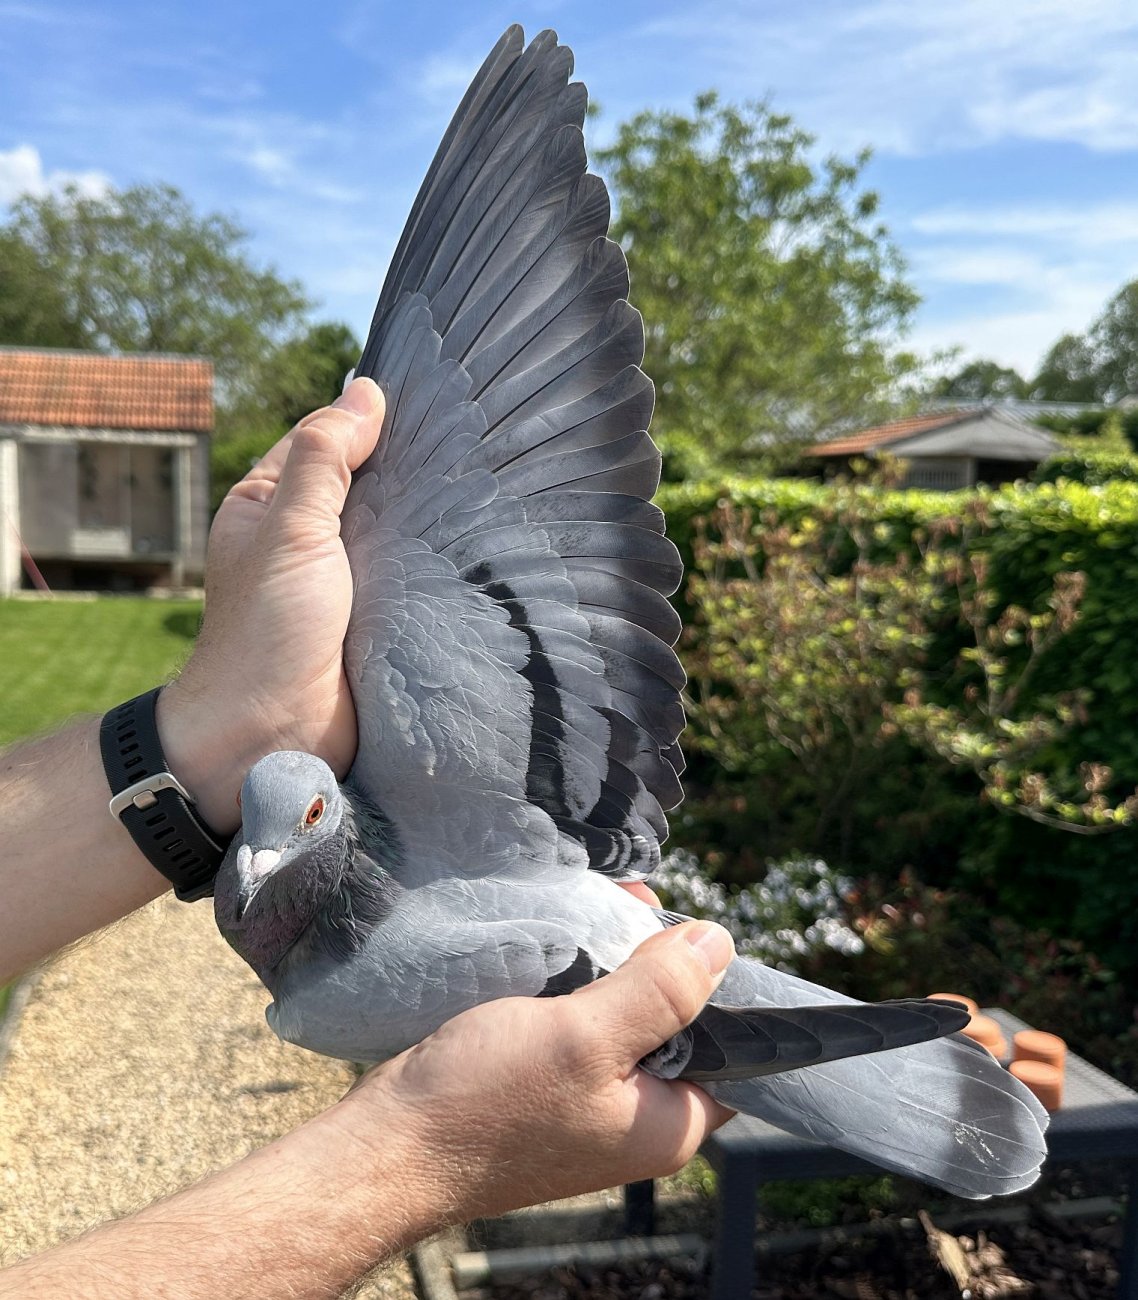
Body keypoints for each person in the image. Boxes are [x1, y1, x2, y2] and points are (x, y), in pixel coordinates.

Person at [0, 377, 734, 1299]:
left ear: (330, 814)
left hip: (625, 951)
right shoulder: (363, 861)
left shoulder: (322, 1000)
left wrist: (231, 719)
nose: (257, 857)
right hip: (595, 914)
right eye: (259, 833)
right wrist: (418, 1154)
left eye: (304, 821)